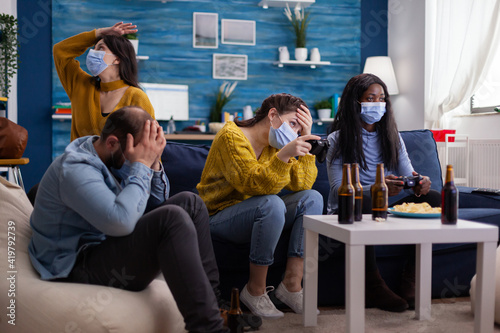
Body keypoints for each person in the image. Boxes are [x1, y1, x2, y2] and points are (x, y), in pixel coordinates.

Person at [28, 106, 228, 333]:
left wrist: (153, 163)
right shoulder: (75, 169)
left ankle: (216, 306)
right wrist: (141, 164)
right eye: (133, 154)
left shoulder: (110, 153)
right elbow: (121, 222)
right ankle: (209, 329)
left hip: (105, 242)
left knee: (191, 202)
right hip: (76, 263)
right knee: (171, 218)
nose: (134, 159)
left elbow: (155, 199)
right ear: (112, 143)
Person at [197, 93, 324, 318]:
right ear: (273, 115)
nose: (294, 133)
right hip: (218, 215)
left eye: (299, 129)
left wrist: (306, 139)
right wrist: (283, 156)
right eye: (293, 124)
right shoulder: (231, 136)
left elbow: (301, 184)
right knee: (271, 203)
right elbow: (252, 185)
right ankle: (255, 290)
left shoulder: (277, 144)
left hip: (259, 212)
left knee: (312, 197)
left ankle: (292, 286)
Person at [326, 73, 441, 312]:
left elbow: (409, 174)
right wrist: (377, 187)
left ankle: (410, 278)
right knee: (366, 199)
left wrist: (419, 182)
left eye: (382, 98)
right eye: (370, 98)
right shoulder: (336, 140)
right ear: (355, 101)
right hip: (350, 207)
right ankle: (373, 285)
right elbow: (338, 191)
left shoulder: (392, 136)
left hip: (385, 205)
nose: (378, 103)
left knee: (434, 198)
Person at [53, 21, 154, 141]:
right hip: (79, 160)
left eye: (100, 48)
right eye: (94, 48)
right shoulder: (80, 85)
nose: (93, 53)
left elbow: (151, 143)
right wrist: (98, 33)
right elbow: (60, 51)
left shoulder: (136, 96)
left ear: (117, 58)